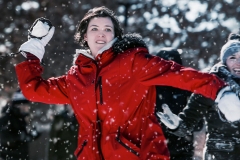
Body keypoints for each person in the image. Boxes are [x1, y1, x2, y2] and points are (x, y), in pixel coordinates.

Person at [14, 6, 228, 160]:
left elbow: (180, 74)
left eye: (108, 29)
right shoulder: (76, 77)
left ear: (116, 35)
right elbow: (35, 90)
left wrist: (220, 90)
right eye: (94, 28)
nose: (101, 34)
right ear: (84, 36)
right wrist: (33, 53)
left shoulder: (133, 62)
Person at [157, 33, 240, 160]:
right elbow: (187, 124)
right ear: (224, 60)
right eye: (232, 58)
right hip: (220, 154)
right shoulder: (210, 84)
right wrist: (177, 125)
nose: (238, 63)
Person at [155, 48, 204, 160]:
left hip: (182, 148)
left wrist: (181, 126)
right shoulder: (150, 89)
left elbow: (197, 122)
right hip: (156, 147)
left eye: (173, 65)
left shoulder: (187, 88)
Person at [0, 89, 40, 160]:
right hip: (8, 156)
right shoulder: (7, 118)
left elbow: (28, 135)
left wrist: (32, 134)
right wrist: (20, 136)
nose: (27, 108)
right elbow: (3, 137)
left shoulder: (23, 118)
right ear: (18, 105)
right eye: (24, 105)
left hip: (22, 156)